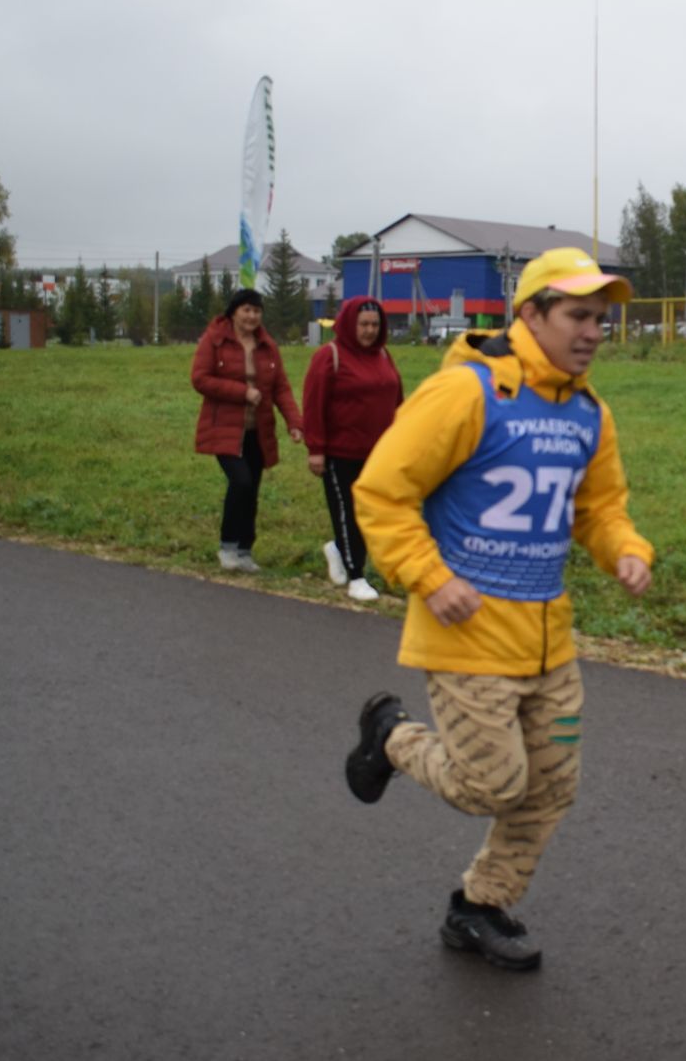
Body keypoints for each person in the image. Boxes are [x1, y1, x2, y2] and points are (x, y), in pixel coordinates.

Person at [343, 247, 654, 970]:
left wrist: (626, 549)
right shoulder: (467, 393)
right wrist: (426, 574)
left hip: (549, 642)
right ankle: (390, 736)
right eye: (577, 315)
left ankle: (478, 907)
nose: (592, 332)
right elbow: (382, 490)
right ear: (531, 315)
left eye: (601, 320)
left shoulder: (586, 411)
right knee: (492, 784)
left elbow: (599, 507)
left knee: (550, 788)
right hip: (467, 635)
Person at [190, 287, 303, 572]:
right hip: (224, 428)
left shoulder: (267, 345)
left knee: (252, 489)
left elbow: (281, 388)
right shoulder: (215, 340)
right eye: (246, 310)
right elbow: (200, 378)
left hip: (258, 431)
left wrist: (294, 423)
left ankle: (244, 551)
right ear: (234, 312)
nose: (252, 316)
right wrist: (242, 392)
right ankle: (227, 546)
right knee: (240, 482)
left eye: (256, 311)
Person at [301, 296, 402, 601]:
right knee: (348, 513)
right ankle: (356, 577)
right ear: (349, 324)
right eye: (364, 324)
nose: (370, 331)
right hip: (340, 453)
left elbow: (396, 399)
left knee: (374, 513)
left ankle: (338, 548)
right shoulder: (328, 357)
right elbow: (313, 405)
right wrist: (316, 449)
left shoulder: (383, 356)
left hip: (379, 452)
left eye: (375, 324)